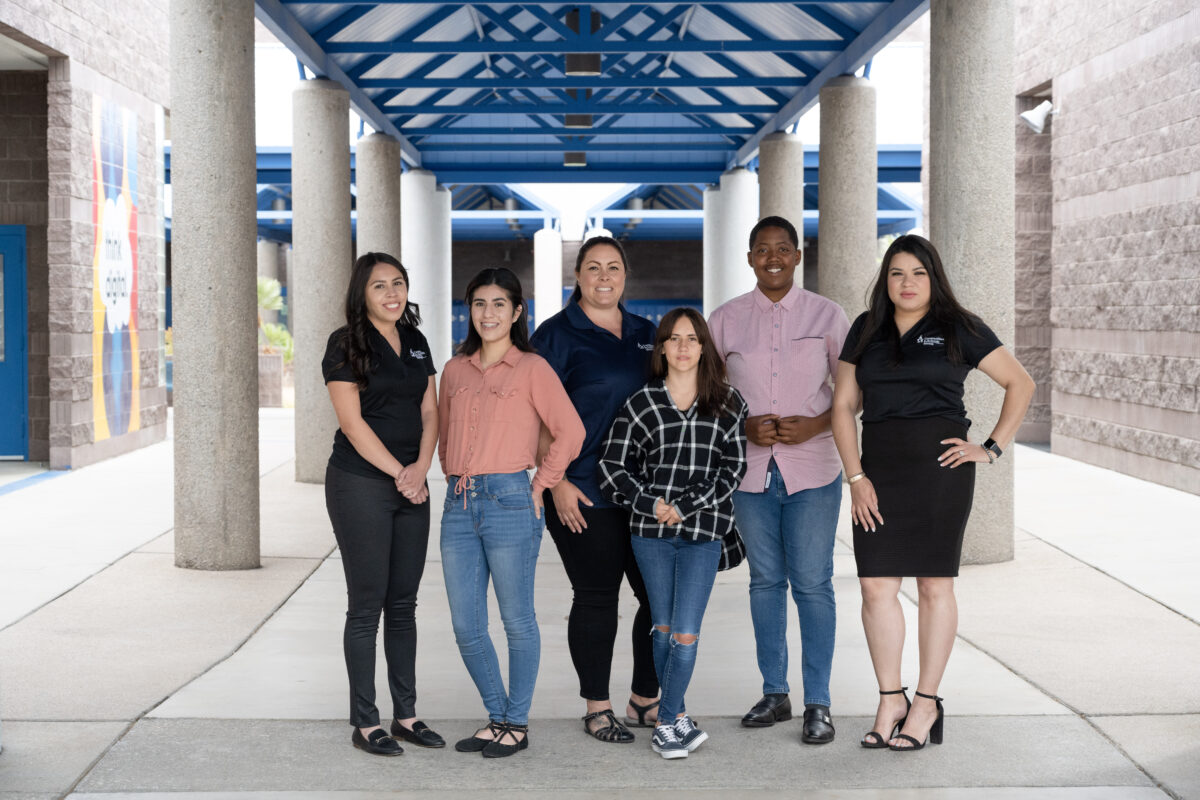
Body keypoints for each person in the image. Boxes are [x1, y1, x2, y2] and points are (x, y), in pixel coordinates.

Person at [831, 234, 1034, 752]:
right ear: (886, 279)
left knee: (933, 587)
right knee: (876, 586)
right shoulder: (866, 329)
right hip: (876, 475)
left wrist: (989, 447)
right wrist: (856, 478)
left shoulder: (958, 328)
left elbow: (1021, 383)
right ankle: (889, 698)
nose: (907, 283)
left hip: (939, 474)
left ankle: (925, 702)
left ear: (933, 277)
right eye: (897, 273)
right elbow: (843, 408)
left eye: (918, 273)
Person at [708, 215, 849, 744]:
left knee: (812, 584)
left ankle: (819, 703)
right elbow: (705, 391)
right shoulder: (723, 321)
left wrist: (817, 424)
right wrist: (740, 424)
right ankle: (775, 693)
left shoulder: (828, 315)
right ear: (749, 258)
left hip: (813, 471)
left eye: (783, 249)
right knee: (765, 582)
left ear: (797, 255)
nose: (773, 257)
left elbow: (852, 391)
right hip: (749, 474)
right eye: (763, 249)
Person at [438, 267, 585, 759]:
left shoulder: (533, 369)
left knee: (517, 619)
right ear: (470, 310)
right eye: (479, 303)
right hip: (459, 503)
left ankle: (515, 722)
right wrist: (452, 471)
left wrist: (540, 485)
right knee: (466, 624)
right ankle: (497, 715)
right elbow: (442, 431)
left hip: (510, 501)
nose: (488, 313)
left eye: (499, 304)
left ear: (517, 311)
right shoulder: (455, 369)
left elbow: (571, 432)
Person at [599, 308, 748, 760]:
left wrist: (685, 504)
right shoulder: (641, 403)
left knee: (685, 632)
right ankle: (677, 716)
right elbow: (611, 466)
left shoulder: (728, 402)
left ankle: (665, 721)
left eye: (692, 338)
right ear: (661, 348)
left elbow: (733, 469)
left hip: (703, 531)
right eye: (673, 338)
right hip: (650, 532)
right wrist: (650, 502)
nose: (683, 346)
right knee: (661, 627)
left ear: (704, 347)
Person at [529, 236, 662, 744]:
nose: (603, 277)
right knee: (597, 597)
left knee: (658, 598)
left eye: (613, 268)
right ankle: (597, 707)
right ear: (578, 277)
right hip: (583, 490)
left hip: (646, 491)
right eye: (592, 268)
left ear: (625, 275)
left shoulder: (648, 334)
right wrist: (556, 481)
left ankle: (645, 697)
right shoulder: (555, 336)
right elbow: (534, 414)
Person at [322, 252, 444, 756]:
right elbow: (352, 423)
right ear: (362, 294)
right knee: (367, 606)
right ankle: (365, 721)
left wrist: (420, 469)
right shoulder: (345, 344)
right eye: (379, 286)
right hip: (361, 484)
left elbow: (431, 411)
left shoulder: (415, 342)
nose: (392, 293)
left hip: (412, 484)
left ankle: (406, 716)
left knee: (404, 605)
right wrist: (400, 473)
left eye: (398, 283)